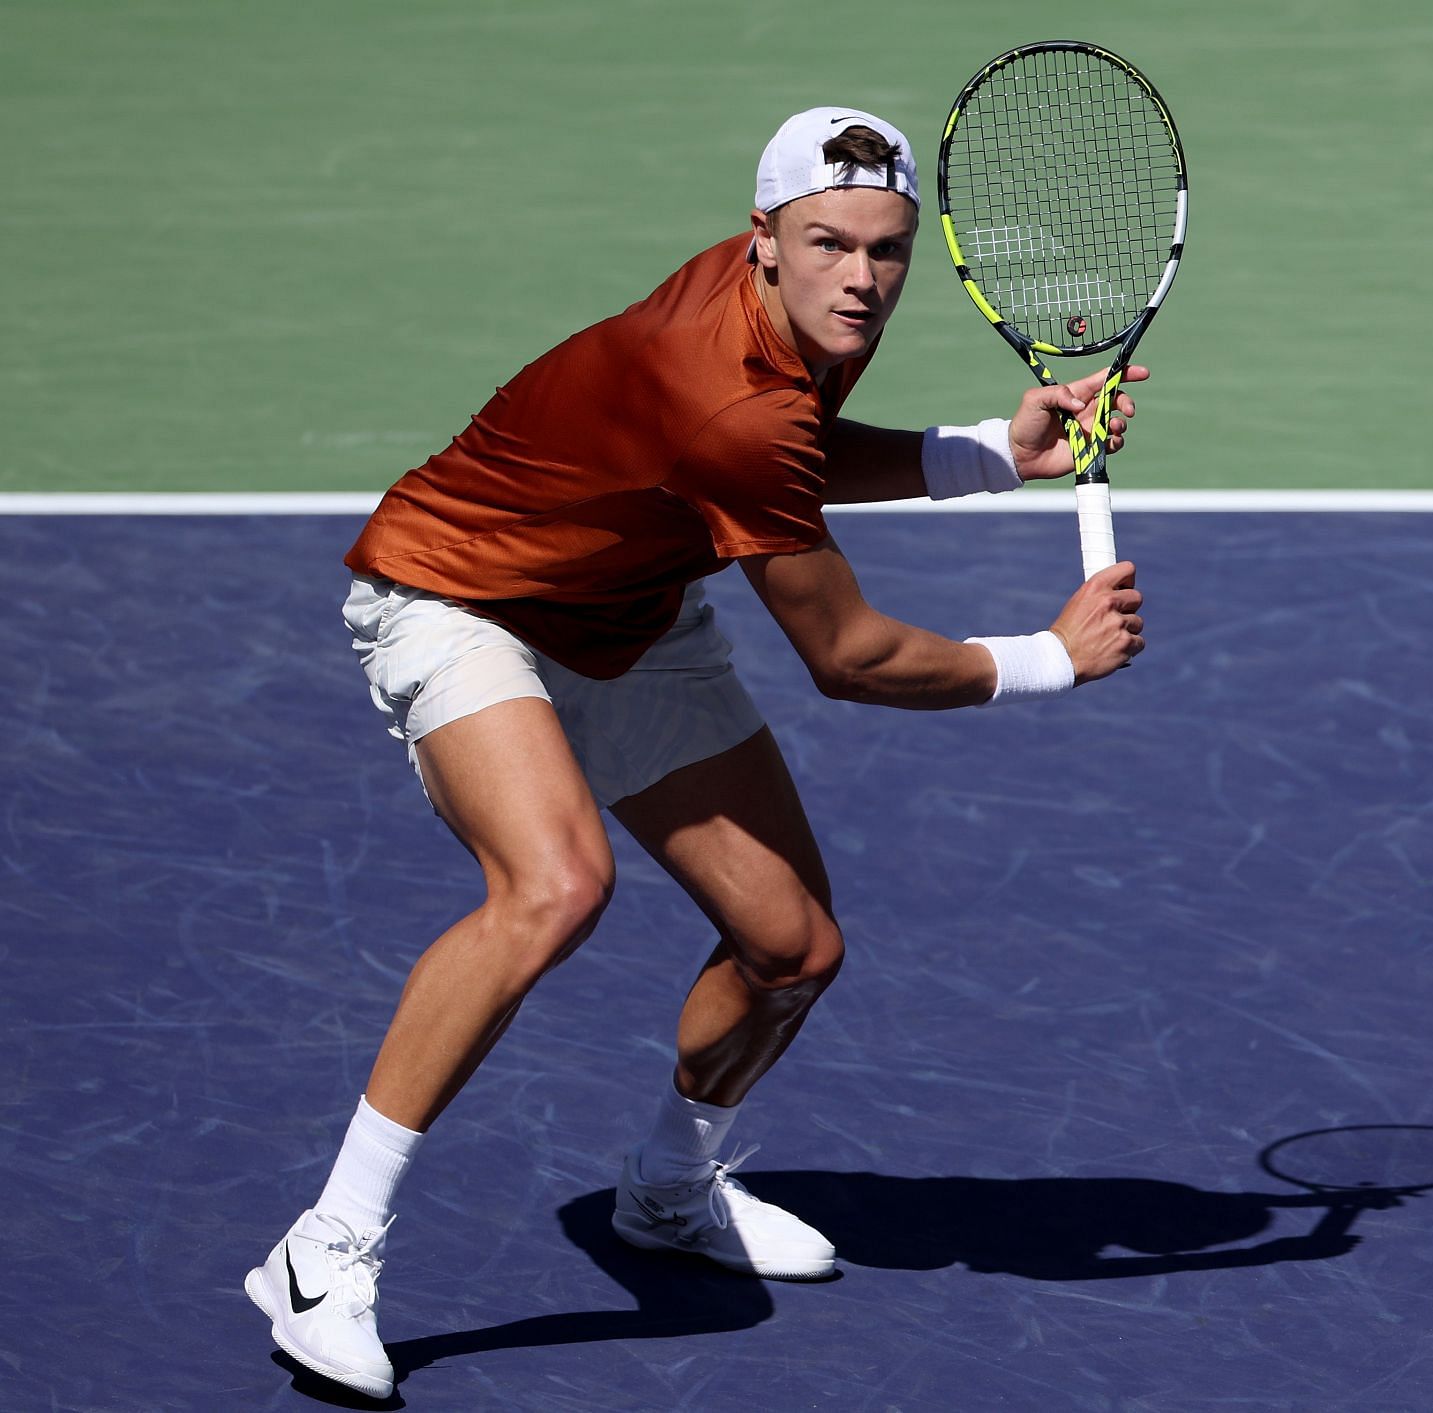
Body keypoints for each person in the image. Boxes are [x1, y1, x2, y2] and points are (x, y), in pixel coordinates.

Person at [243, 106, 1147, 1399]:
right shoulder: (720, 388)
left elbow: (789, 452)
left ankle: (668, 1189)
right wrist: (1053, 656)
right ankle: (324, 1249)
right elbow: (850, 657)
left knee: (793, 947)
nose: (861, 278)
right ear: (761, 241)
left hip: (631, 605)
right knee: (554, 886)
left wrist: (993, 455)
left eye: (887, 251)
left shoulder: (784, 329)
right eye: (829, 244)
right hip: (460, 599)